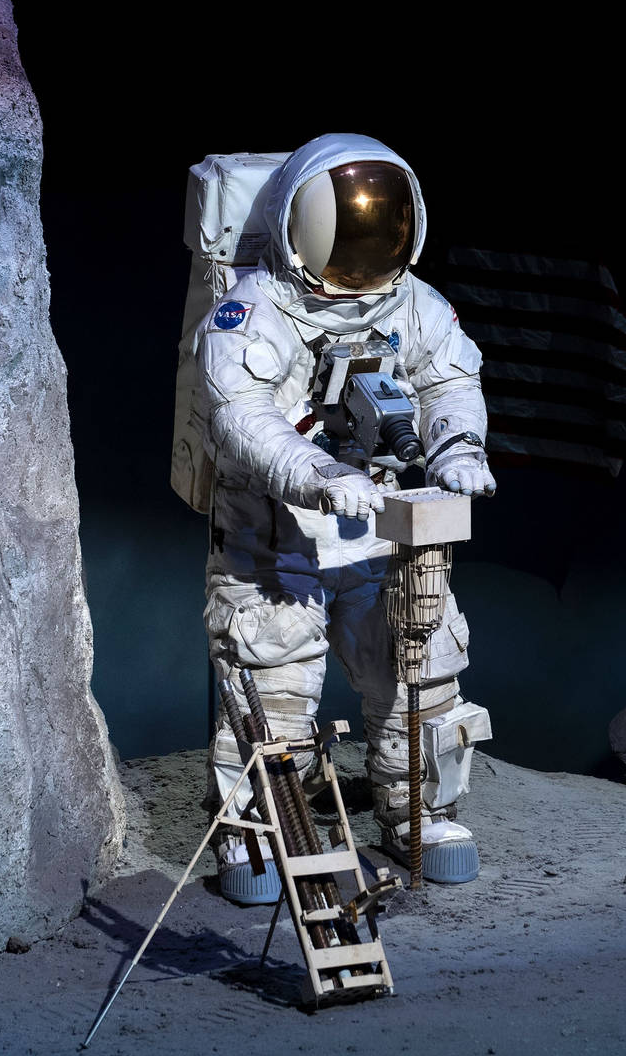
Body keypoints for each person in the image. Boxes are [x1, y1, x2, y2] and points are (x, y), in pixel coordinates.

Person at [197, 133, 495, 900]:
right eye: (345, 239)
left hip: (376, 530)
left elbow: (451, 381)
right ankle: (263, 835)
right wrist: (316, 471)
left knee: (418, 672)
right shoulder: (251, 308)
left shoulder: (413, 305)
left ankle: (418, 812)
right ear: (299, 227)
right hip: (276, 536)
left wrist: (459, 448)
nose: (360, 258)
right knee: (273, 688)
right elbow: (242, 416)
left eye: (378, 236)